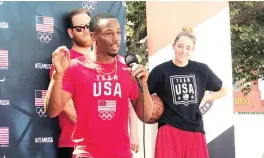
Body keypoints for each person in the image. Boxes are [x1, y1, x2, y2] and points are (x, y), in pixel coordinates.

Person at [45, 13, 153, 158]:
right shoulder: (74, 67)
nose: (116, 39)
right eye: (109, 33)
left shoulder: (126, 69)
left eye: (118, 33)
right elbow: (52, 111)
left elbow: (146, 115)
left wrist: (144, 85)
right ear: (94, 36)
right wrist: (57, 75)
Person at [147, 26, 227, 158]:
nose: (183, 51)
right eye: (180, 46)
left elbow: (223, 90)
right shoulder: (161, 71)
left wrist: (205, 98)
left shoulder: (202, 70)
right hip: (168, 129)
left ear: (193, 50)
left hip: (194, 129)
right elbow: (143, 95)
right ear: (174, 46)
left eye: (188, 48)